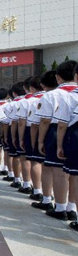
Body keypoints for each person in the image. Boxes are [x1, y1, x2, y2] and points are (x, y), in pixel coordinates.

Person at [37, 60, 77, 220]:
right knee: (74, 174)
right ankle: (72, 207)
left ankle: (60, 208)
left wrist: (40, 141)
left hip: (57, 131)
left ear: (58, 77)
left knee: (58, 171)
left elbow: (45, 120)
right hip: (74, 131)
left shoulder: (51, 95)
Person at [30, 71, 58, 210]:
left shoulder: (48, 97)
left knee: (47, 167)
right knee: (69, 172)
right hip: (70, 132)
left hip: (52, 132)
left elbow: (41, 122)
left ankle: (46, 198)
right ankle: (69, 207)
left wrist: (38, 141)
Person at [57, 64, 78, 229]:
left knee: (75, 175)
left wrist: (59, 145)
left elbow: (63, 124)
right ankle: (71, 207)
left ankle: (70, 210)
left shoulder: (70, 97)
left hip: (74, 136)